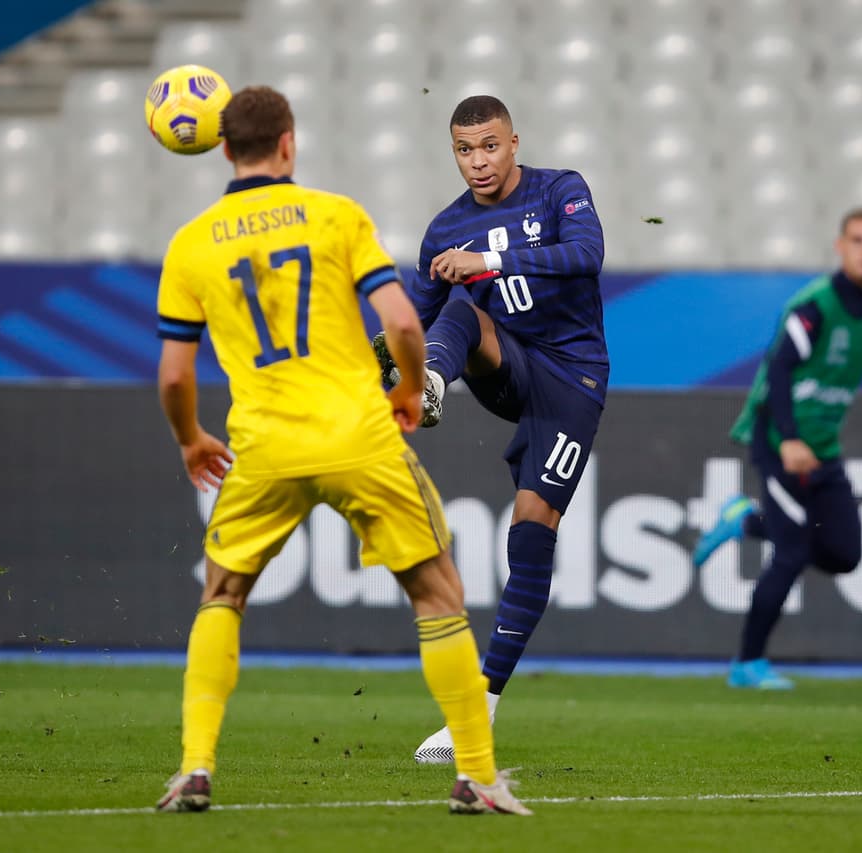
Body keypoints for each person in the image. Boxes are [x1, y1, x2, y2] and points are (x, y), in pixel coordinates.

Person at [152, 85, 529, 816]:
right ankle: (478, 778)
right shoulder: (335, 215)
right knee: (437, 593)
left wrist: (192, 439)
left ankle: (194, 768)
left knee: (222, 595)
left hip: (264, 445)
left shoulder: (191, 243)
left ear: (224, 150)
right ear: (288, 143)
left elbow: (173, 374)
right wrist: (410, 390)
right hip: (358, 435)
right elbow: (405, 325)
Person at [373, 95, 608, 763]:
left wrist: (489, 264)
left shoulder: (559, 190)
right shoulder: (445, 229)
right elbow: (413, 321)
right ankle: (432, 383)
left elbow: (587, 254)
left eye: (489, 146)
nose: (478, 161)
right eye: (464, 149)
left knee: (532, 528)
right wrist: (368, 361)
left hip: (573, 378)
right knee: (459, 314)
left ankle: (481, 707)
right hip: (503, 367)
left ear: (513, 142)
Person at [692, 208, 862, 690]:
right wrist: (791, 438)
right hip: (779, 438)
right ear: (839, 246)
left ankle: (745, 521)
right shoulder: (816, 305)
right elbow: (779, 369)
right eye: (858, 240)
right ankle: (747, 665)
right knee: (793, 549)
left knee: (844, 553)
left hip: (822, 447)